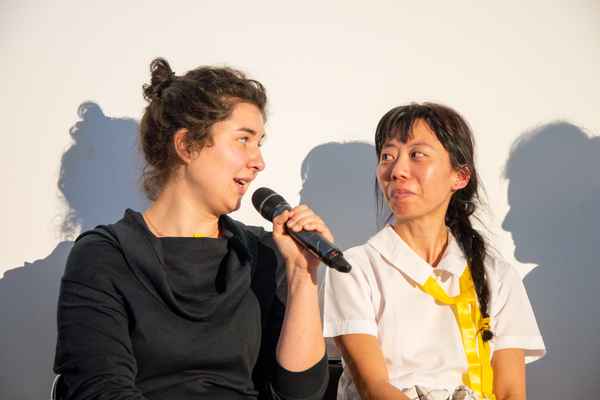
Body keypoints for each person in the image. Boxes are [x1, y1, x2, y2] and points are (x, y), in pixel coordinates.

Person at [54, 58, 329, 400]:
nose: (259, 161)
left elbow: (300, 395)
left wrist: (302, 274)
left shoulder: (265, 255)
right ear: (186, 146)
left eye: (259, 143)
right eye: (243, 139)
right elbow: (100, 390)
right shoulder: (104, 257)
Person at [321, 103, 545, 400]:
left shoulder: (498, 276)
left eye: (417, 155)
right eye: (387, 156)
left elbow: (511, 393)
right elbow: (373, 387)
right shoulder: (353, 268)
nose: (397, 171)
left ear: (460, 177)